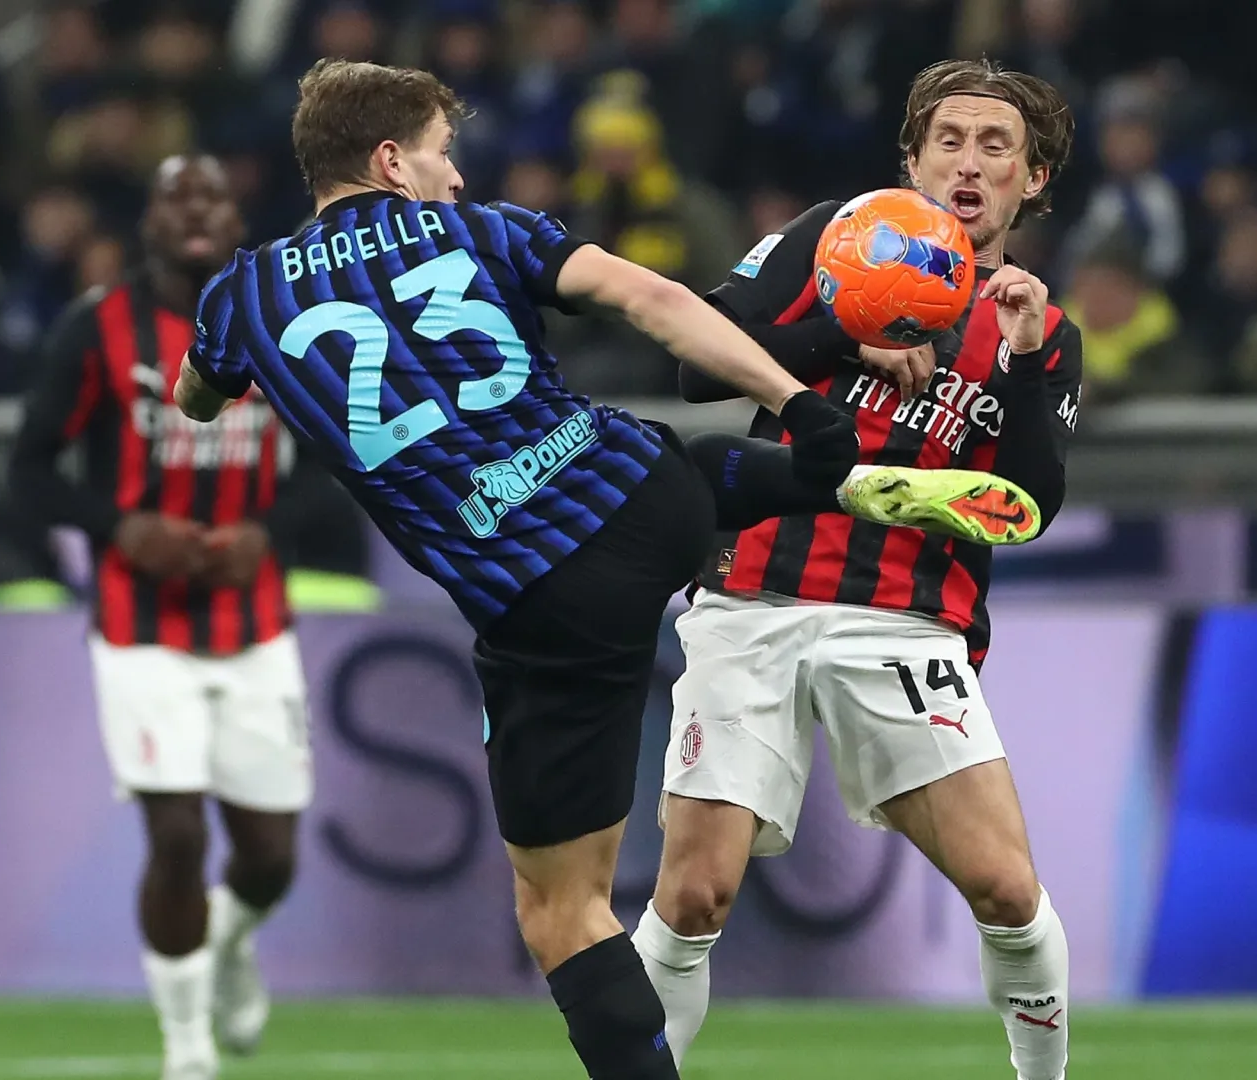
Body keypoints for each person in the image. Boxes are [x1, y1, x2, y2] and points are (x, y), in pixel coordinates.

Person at [172, 59, 1035, 1080]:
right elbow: (649, 296)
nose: (455, 177)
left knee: (561, 912)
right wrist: (800, 403)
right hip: (647, 491)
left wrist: (227, 374)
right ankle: (830, 484)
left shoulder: (244, 292)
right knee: (654, 465)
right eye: (444, 156)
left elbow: (194, 395)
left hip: (544, 596)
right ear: (392, 161)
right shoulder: (483, 229)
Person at [636, 58, 1084, 1080]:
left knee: (1007, 892)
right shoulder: (836, 241)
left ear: (1034, 179)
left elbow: (1027, 505)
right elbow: (692, 364)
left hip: (905, 620)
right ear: (914, 161)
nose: (968, 164)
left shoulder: (1042, 328)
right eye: (949, 142)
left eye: (995, 147)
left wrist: (1014, 364)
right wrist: (845, 329)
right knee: (694, 893)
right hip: (751, 594)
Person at [10, 156, 328, 1080]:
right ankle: (187, 1052)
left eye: (213, 199)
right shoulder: (95, 328)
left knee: (269, 859)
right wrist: (122, 528)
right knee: (179, 834)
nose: (195, 213)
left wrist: (267, 532)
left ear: (240, 218)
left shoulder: (289, 317)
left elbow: (350, 457)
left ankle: (227, 947)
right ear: (145, 221)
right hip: (138, 625)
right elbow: (28, 470)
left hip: (254, 622)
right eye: (175, 199)